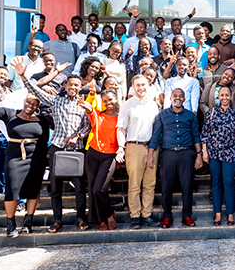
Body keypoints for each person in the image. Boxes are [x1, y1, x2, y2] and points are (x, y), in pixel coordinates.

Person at [18, 61, 91, 233]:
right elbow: (35, 91)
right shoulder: (56, 100)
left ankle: (80, 218)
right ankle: (57, 220)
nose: (73, 87)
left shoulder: (84, 105)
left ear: (80, 87)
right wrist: (22, 75)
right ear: (65, 85)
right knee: (55, 188)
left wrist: (78, 136)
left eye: (77, 85)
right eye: (70, 84)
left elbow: (88, 125)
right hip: (57, 148)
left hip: (77, 150)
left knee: (80, 189)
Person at [0, 83, 49, 238]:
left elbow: (44, 140)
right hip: (15, 155)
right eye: (28, 101)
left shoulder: (42, 120)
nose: (31, 105)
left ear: (38, 105)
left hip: (36, 156)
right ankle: (11, 224)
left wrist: (43, 160)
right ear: (24, 101)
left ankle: (28, 222)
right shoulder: (9, 113)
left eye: (34, 103)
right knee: (12, 189)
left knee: (33, 190)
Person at [149, 88, 202, 228]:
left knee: (187, 185)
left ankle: (187, 216)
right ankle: (167, 216)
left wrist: (199, 155)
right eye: (175, 96)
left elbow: (196, 135)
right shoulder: (162, 115)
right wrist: (150, 155)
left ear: (184, 99)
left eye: (181, 96)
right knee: (166, 186)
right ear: (171, 98)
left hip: (186, 153)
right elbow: (155, 136)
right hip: (168, 154)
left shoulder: (191, 116)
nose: (178, 98)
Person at [116, 75, 160, 229]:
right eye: (138, 85)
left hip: (152, 147)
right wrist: (121, 147)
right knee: (134, 184)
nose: (141, 88)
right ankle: (135, 216)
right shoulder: (127, 105)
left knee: (150, 183)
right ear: (133, 87)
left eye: (144, 85)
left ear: (148, 86)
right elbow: (121, 129)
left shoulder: (153, 105)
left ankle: (146, 215)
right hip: (134, 147)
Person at [201, 86, 235, 226]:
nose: (224, 98)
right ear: (218, 97)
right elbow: (205, 133)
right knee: (216, 183)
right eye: (222, 95)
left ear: (231, 97)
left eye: (227, 95)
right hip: (214, 153)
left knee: (229, 183)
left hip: (231, 153)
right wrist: (204, 151)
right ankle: (217, 214)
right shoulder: (212, 113)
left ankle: (230, 214)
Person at [80, 90, 119, 230]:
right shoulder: (98, 115)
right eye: (105, 101)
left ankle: (109, 214)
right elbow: (90, 109)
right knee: (92, 188)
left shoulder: (120, 118)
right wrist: (85, 104)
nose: (108, 103)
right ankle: (100, 219)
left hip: (109, 156)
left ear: (116, 99)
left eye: (110, 100)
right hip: (92, 154)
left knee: (99, 188)